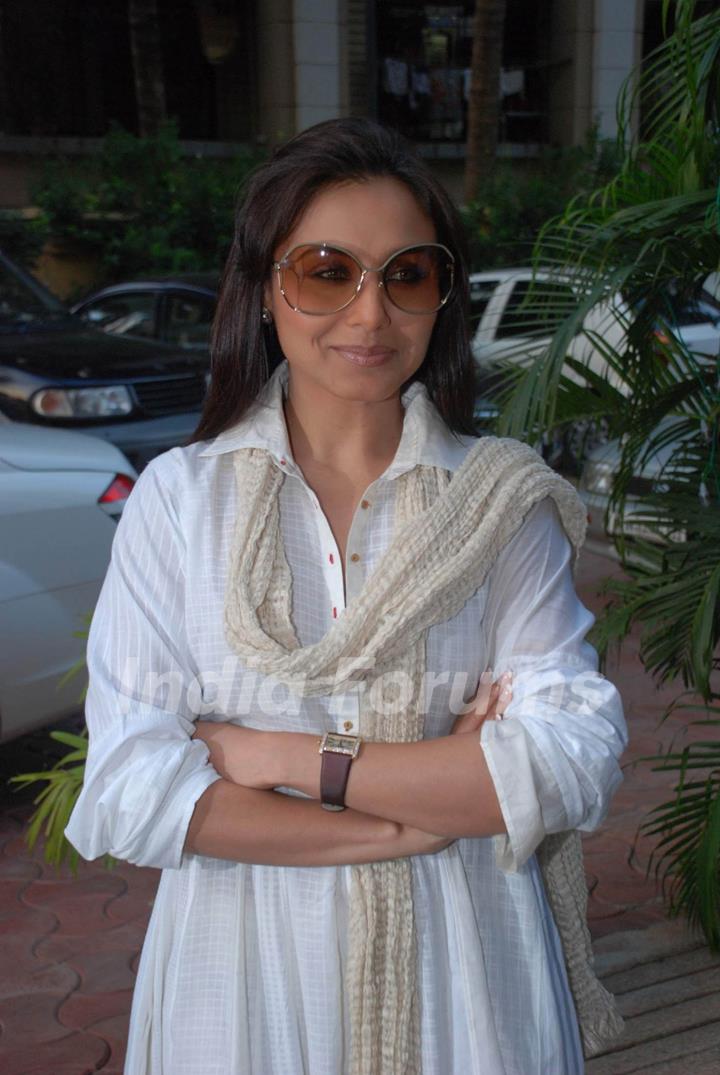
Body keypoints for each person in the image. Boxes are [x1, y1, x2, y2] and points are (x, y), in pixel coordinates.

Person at [65, 118, 627, 1075]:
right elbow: (131, 786)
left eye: (405, 274)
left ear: (440, 294)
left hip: (469, 980)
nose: (370, 313)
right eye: (328, 270)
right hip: (240, 980)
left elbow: (570, 757)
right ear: (264, 288)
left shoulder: (499, 501)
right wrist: (416, 811)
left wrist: (269, 755)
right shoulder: (181, 500)